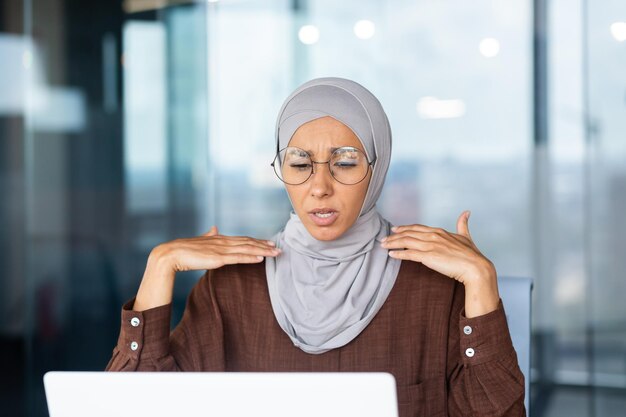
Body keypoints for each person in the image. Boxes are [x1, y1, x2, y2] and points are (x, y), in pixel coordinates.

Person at [106, 77, 526, 416]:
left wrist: (481, 279)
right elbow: (128, 409)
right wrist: (160, 266)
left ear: (377, 169)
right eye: (300, 163)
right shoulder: (231, 289)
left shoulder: (433, 286)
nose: (320, 188)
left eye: (344, 163)